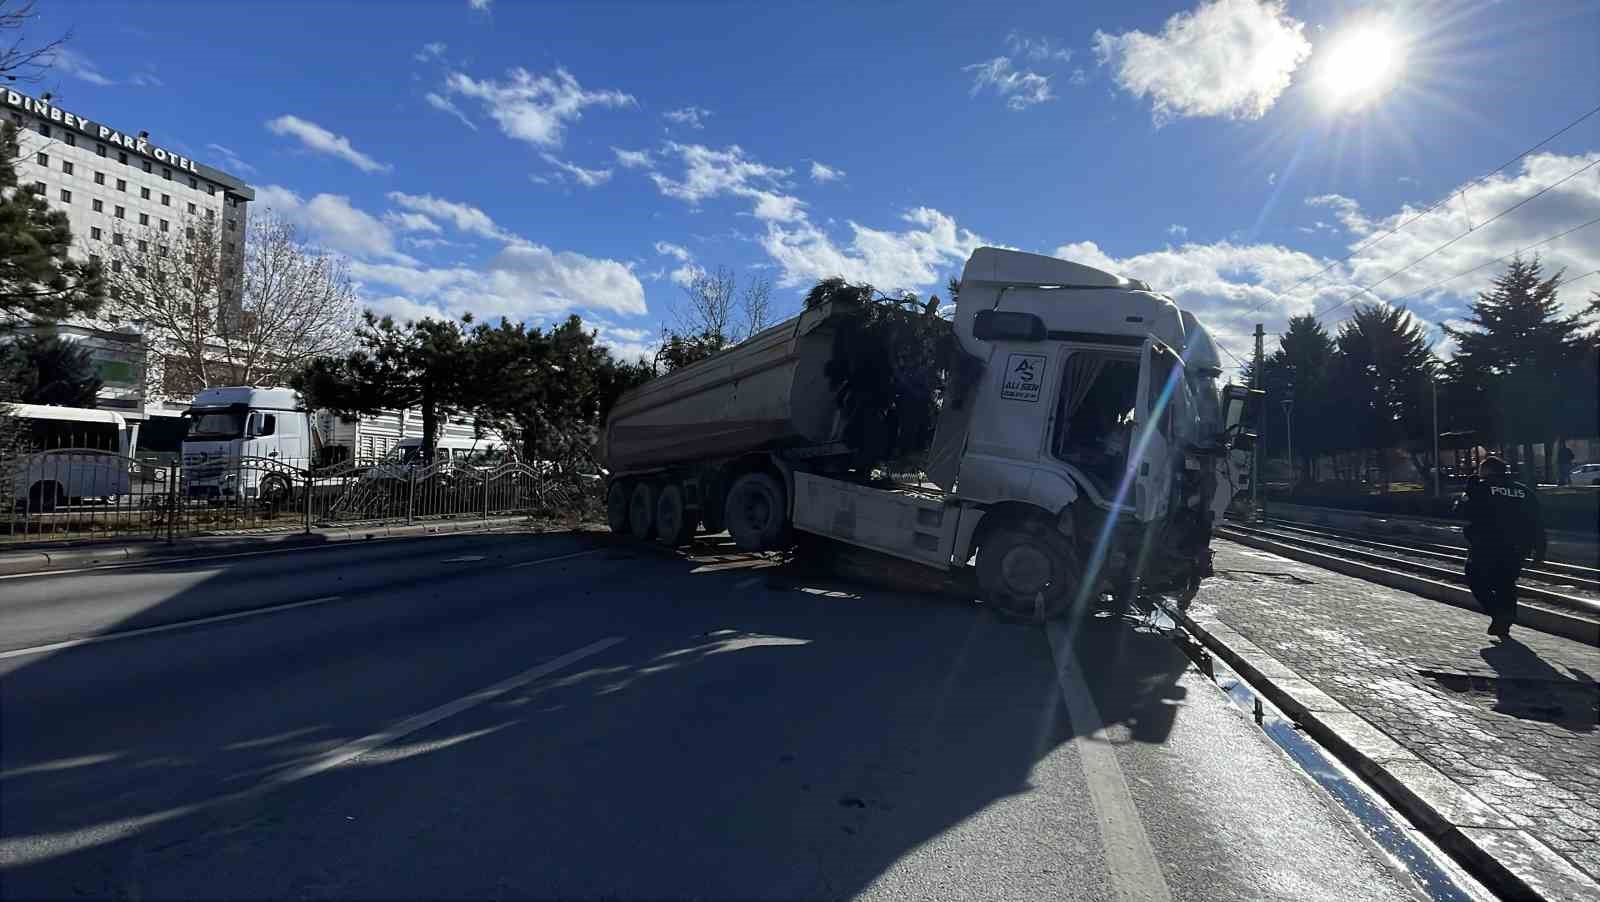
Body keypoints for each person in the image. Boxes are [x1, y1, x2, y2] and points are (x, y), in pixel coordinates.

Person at [1455, 456, 1547, 638]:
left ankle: (1498, 613)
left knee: (1476, 579)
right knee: (1506, 583)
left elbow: (1462, 512)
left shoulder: (1481, 488)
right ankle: (1506, 618)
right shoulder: (1524, 492)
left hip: (1486, 544)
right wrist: (1540, 551)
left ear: (1486, 470)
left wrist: (1469, 490)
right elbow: (1537, 523)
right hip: (1518, 548)